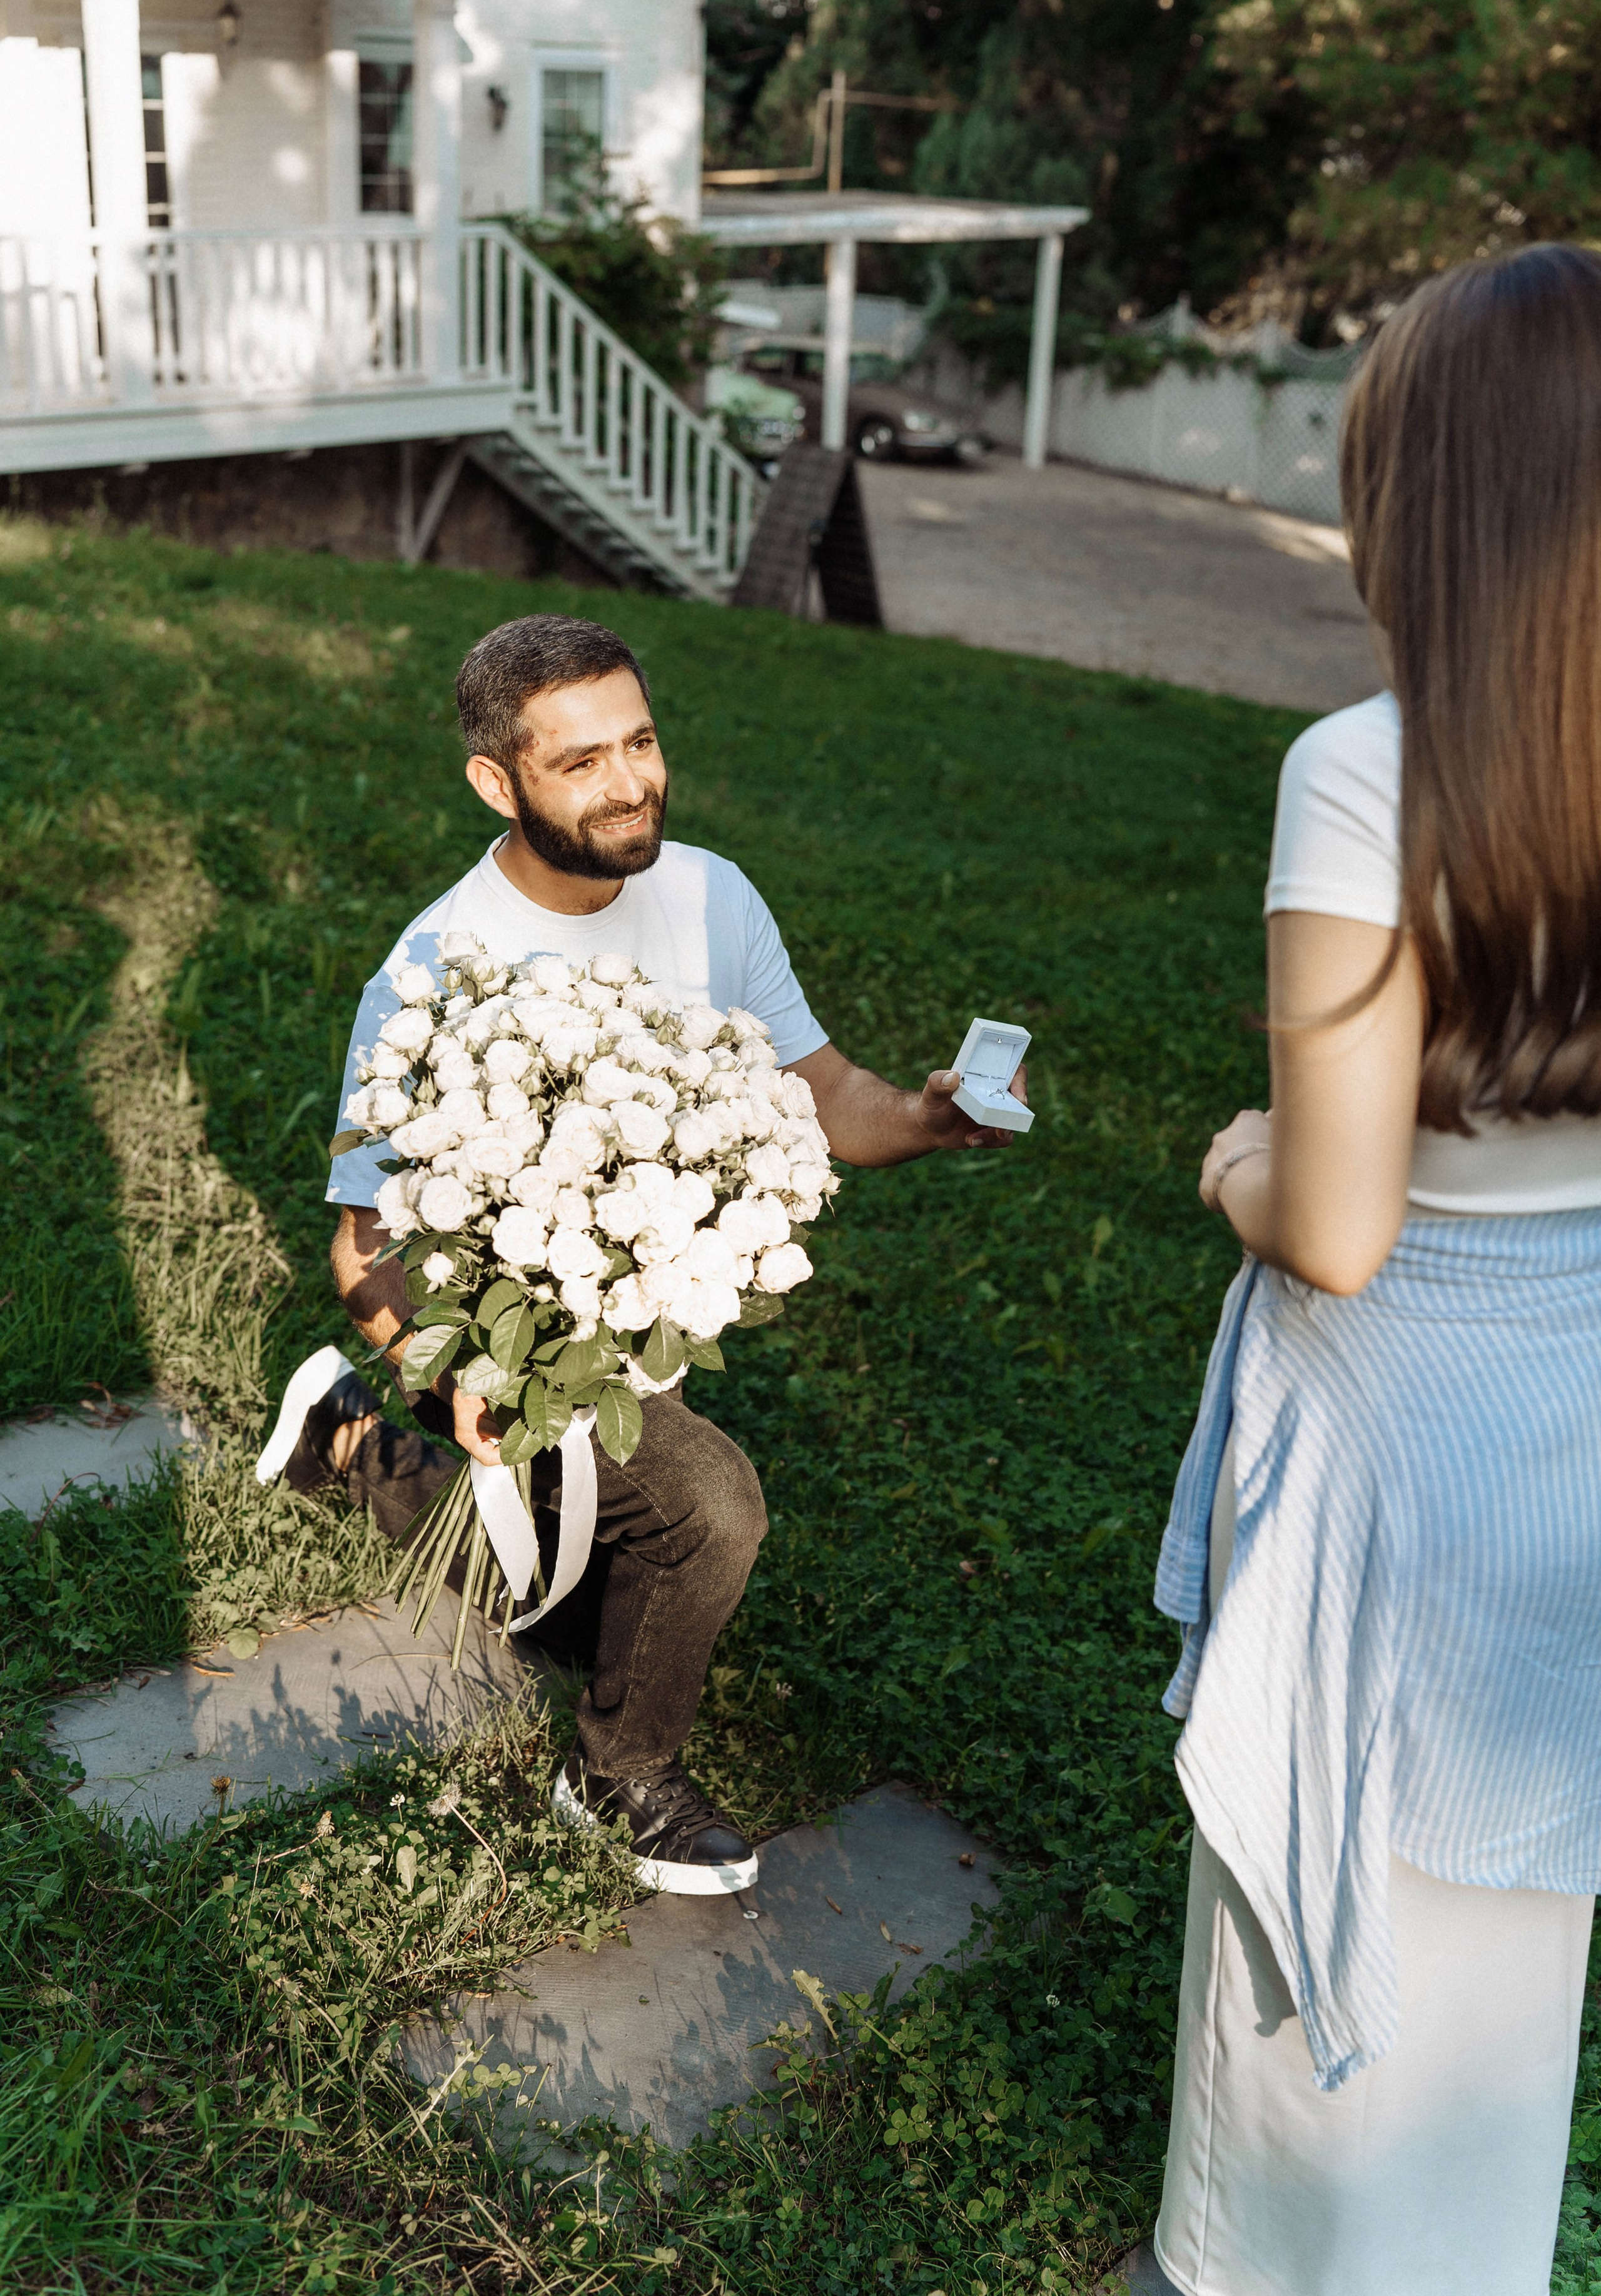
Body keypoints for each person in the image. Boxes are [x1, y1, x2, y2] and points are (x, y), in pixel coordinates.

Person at [256, 612, 1026, 1899]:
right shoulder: (434, 971)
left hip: (638, 1322)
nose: (629, 785)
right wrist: (456, 1373)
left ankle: (344, 1445)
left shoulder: (712, 894)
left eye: (642, 742)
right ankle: (618, 1775)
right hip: (499, 1328)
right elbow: (364, 1250)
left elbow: (820, 1091)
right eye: (581, 762)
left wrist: (926, 1117)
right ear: (496, 782)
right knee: (707, 1511)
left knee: (571, 1609)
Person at [1129, 243, 1601, 2296]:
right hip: (1579, 1412)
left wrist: (1238, 1156)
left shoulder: (1364, 772)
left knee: (1329, 1924)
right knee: (1514, 1909)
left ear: (1435, 500)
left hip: (1395, 1443)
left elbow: (1334, 1226)